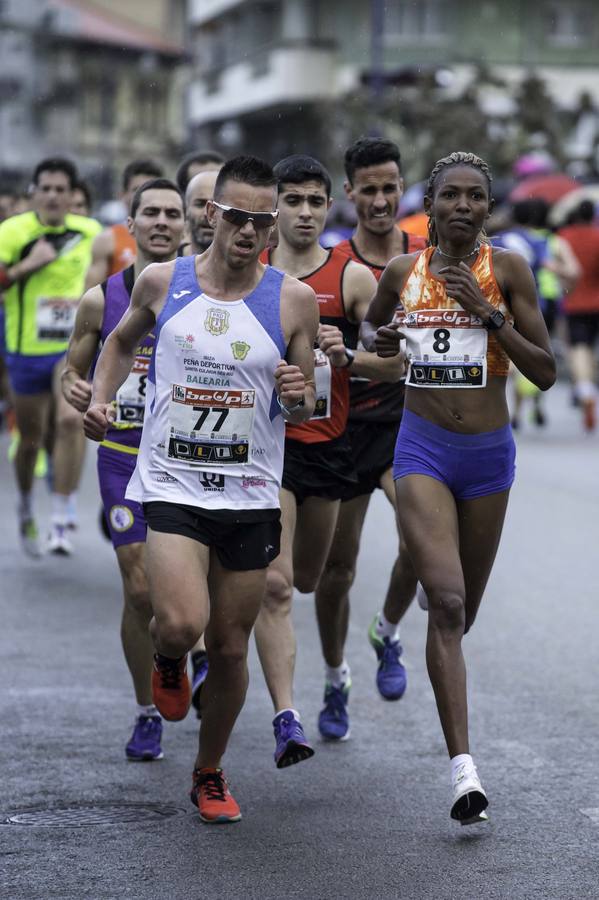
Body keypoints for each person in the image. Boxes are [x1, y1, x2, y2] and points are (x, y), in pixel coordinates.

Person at [83, 155, 319, 824]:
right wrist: (102, 399)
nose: (248, 232)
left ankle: (208, 772)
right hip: (172, 480)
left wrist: (300, 394)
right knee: (183, 623)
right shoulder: (163, 282)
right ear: (212, 214)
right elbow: (119, 344)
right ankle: (165, 657)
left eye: (261, 221)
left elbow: (302, 405)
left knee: (229, 645)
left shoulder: (290, 299)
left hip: (248, 493)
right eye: (237, 217)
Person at [361, 150, 555, 824]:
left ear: (488, 206)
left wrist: (488, 314)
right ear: (431, 203)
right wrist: (383, 337)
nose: (463, 207)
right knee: (444, 604)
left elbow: (547, 372)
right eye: (450, 196)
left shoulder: (506, 270)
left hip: (486, 457)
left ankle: (391, 617)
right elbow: (376, 334)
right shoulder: (399, 271)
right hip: (421, 449)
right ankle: (462, 773)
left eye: (475, 196)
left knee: (459, 610)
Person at [256, 154, 397, 755]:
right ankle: (287, 718)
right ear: (275, 207)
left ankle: (336, 674)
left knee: (317, 579)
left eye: (316, 202)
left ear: (328, 206)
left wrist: (346, 359)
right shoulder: (251, 272)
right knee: (278, 586)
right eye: (294, 201)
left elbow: (395, 364)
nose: (306, 213)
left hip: (332, 446)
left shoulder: (351, 278)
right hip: (268, 450)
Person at [62, 178, 185, 760]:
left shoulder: (206, 295)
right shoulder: (99, 299)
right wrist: (82, 394)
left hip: (188, 461)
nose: (162, 222)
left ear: (186, 226)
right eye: (150, 213)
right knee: (139, 591)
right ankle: (147, 710)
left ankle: (189, 652)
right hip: (123, 456)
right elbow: (72, 372)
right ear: (129, 227)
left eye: (172, 213)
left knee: (188, 596)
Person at [315, 137, 426, 735]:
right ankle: (335, 679)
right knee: (337, 570)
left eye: (391, 187)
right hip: (346, 426)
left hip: (410, 424)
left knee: (420, 544)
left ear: (402, 187)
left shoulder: (429, 256)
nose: (381, 200)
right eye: (370, 189)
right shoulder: (333, 264)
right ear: (350, 192)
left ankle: (386, 631)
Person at [0, 157, 101, 556]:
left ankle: (61, 518)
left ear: (72, 194)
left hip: (70, 349)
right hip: (26, 350)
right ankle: (26, 502)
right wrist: (30, 265)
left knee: (69, 419)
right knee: (29, 441)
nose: (54, 196)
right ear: (35, 192)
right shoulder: (13, 231)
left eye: (62, 190)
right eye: (47, 188)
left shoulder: (90, 233)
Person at [182, 163, 223, 716]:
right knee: (158, 597)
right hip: (165, 463)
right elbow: (114, 345)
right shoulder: (159, 281)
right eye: (204, 203)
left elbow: (304, 394)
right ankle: (187, 652)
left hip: (242, 469)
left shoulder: (277, 291)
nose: (213, 215)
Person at [493, 199, 579, 428]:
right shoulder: (539, 241)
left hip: (503, 304)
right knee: (538, 354)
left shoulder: (500, 239)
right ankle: (535, 404)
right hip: (536, 304)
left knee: (515, 355)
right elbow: (552, 266)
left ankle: (518, 411)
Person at [85, 160, 164, 289]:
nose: (145, 196)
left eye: (151, 189)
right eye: (137, 190)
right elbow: (90, 297)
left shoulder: (176, 237)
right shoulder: (107, 240)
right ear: (122, 195)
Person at [558, 200, 599, 431]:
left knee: (578, 349)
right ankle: (588, 386)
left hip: (575, 303)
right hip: (597, 303)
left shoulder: (564, 237)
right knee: (590, 349)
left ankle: (584, 390)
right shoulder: (598, 236)